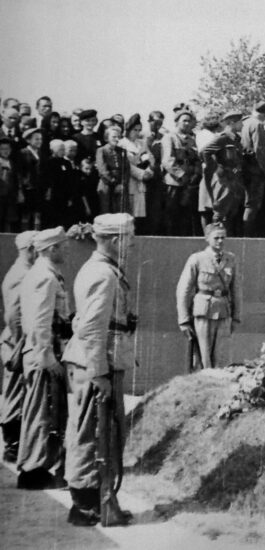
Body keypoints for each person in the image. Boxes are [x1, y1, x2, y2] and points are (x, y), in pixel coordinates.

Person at [63, 212, 137, 526]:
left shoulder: (100, 270)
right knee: (94, 435)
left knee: (94, 433)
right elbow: (92, 329)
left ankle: (94, 502)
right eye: (130, 239)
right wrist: (100, 373)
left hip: (97, 362)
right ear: (116, 240)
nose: (132, 245)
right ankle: (87, 506)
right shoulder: (103, 275)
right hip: (96, 364)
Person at [16, 226, 69, 489]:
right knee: (41, 413)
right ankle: (33, 471)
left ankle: (35, 466)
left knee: (41, 411)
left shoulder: (45, 274)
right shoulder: (45, 278)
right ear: (51, 249)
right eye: (61, 246)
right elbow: (40, 323)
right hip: (42, 355)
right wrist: (48, 357)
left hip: (41, 352)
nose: (65, 250)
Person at [175, 223, 241, 369]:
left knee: (221, 358)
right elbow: (183, 290)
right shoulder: (197, 259)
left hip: (224, 312)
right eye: (216, 238)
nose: (220, 241)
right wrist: (184, 320)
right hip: (203, 312)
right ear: (207, 238)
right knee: (202, 358)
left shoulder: (231, 259)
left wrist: (236, 317)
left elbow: (236, 289)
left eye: (223, 238)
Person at [1, 231, 35, 462]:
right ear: (31, 249)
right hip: (17, 343)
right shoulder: (21, 275)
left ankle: (15, 443)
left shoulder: (23, 272)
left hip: (17, 342)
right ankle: (12, 445)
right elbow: (14, 315)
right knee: (14, 394)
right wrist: (20, 342)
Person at [199, 112, 246, 233]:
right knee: (220, 213)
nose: (243, 125)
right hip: (223, 180)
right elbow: (205, 152)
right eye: (240, 122)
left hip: (234, 180)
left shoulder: (236, 139)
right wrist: (214, 167)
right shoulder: (223, 138)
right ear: (231, 123)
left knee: (231, 213)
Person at [161, 109, 201, 236]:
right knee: (172, 216)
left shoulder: (192, 139)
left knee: (186, 218)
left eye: (190, 121)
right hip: (174, 183)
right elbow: (167, 161)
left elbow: (196, 160)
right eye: (184, 121)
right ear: (177, 122)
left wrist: (195, 175)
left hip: (189, 184)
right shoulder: (169, 138)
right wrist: (182, 175)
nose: (187, 124)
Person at [239, 102, 265, 236]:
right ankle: (247, 237)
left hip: (244, 168)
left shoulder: (245, 122)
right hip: (255, 170)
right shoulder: (258, 124)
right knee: (252, 205)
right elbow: (260, 150)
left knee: (245, 204)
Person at [119, 114, 155, 233]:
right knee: (129, 213)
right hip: (130, 180)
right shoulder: (122, 144)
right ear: (128, 129)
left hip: (141, 181)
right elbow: (126, 165)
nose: (137, 133)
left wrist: (149, 171)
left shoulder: (141, 143)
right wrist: (141, 174)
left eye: (139, 130)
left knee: (139, 214)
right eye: (135, 130)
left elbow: (149, 159)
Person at [19, 127, 44, 230]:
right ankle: (24, 235)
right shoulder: (23, 153)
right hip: (27, 188)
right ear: (29, 140)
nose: (39, 141)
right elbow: (20, 172)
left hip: (38, 188)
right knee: (26, 213)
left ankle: (36, 234)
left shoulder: (41, 153)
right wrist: (20, 189)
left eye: (40, 139)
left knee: (38, 213)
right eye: (36, 139)